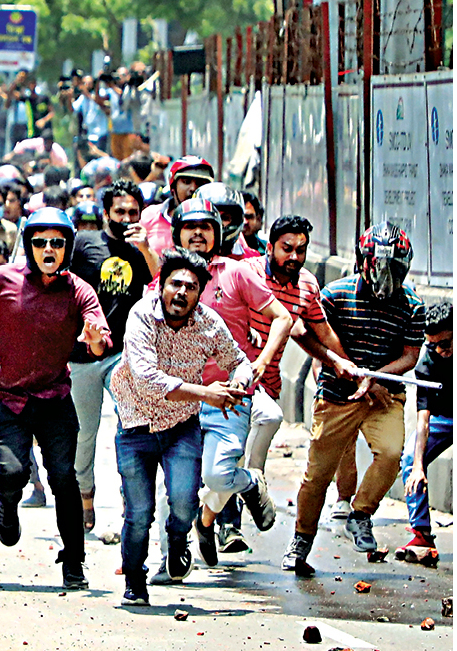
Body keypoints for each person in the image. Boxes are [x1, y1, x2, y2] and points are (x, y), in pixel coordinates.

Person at [0, 207, 111, 589]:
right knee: (13, 472)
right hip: (6, 396)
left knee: (65, 479)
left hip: (55, 398)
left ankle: (74, 563)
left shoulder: (79, 290)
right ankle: (8, 505)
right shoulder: (1, 278)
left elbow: (101, 340)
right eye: (40, 242)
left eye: (57, 243)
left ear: (67, 248)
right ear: (28, 245)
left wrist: (94, 339)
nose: (48, 249)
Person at [110, 250, 252, 605]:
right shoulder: (141, 315)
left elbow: (239, 361)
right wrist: (208, 393)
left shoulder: (209, 323)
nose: (182, 292)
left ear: (200, 292)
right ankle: (135, 580)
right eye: (175, 283)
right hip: (136, 423)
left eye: (191, 286)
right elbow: (146, 379)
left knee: (185, 503)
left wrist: (238, 383)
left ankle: (178, 540)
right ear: (161, 285)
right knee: (138, 512)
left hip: (181, 426)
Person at [283, 223, 425, 575]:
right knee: (317, 474)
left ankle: (360, 513)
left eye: (395, 270)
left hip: (383, 395)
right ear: (364, 262)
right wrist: (342, 366)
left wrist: (375, 376)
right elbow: (308, 334)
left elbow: (410, 355)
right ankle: (301, 540)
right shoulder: (334, 295)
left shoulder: (412, 305)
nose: (386, 278)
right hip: (338, 394)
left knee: (391, 453)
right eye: (380, 268)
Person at [164, 198, 289, 577]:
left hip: (229, 399)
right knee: (172, 488)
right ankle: (169, 558)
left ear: (219, 233)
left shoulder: (236, 273)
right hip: (178, 399)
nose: (198, 233)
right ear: (177, 233)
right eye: (190, 227)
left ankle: (246, 486)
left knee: (219, 475)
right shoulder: (164, 278)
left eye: (207, 226)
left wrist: (259, 364)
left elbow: (282, 318)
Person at [220, 215, 355, 553]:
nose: (294, 256)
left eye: (301, 250)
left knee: (251, 447)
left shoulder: (307, 285)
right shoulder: (245, 273)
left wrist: (344, 363)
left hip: (268, 382)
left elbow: (318, 333)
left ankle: (241, 498)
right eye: (286, 249)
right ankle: (228, 524)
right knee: (234, 449)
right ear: (270, 247)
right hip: (231, 379)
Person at [65, 180, 155, 533]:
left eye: (133, 212)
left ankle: (129, 501)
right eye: (120, 212)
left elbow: (160, 280)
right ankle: (85, 496)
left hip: (124, 356)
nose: (127, 218)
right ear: (106, 214)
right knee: (85, 432)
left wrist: (145, 248)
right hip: (82, 356)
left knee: (131, 426)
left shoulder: (141, 250)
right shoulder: (84, 244)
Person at [399, 302, 452, 554]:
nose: (439, 351)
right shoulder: (427, 364)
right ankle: (421, 534)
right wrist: (419, 466)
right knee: (410, 457)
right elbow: (423, 419)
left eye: (445, 344)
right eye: (432, 345)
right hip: (446, 418)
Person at [141, 156, 214, 257]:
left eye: (200, 183)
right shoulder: (149, 216)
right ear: (173, 187)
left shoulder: (220, 220)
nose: (193, 188)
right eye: (186, 181)